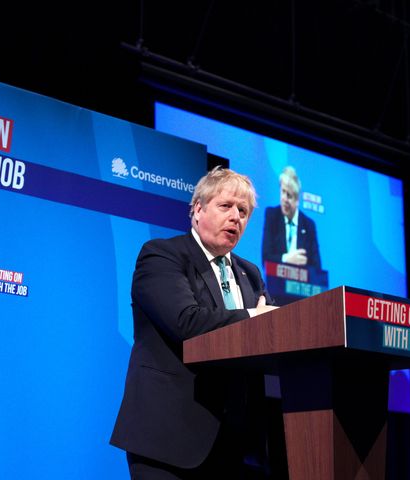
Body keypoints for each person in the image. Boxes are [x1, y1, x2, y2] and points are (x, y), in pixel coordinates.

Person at [110, 166, 278, 479]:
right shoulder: (163, 256)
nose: (235, 217)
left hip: (233, 443)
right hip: (168, 436)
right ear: (198, 210)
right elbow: (186, 322)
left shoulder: (251, 273)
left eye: (243, 211)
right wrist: (255, 317)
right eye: (226, 206)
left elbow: (265, 340)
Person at [262, 166, 321, 269]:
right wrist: (286, 258)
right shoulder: (272, 215)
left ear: (297, 200)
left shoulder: (309, 225)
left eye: (289, 195)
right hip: (275, 282)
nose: (284, 199)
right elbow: (266, 258)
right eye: (283, 192)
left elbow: (317, 267)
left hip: (301, 284)